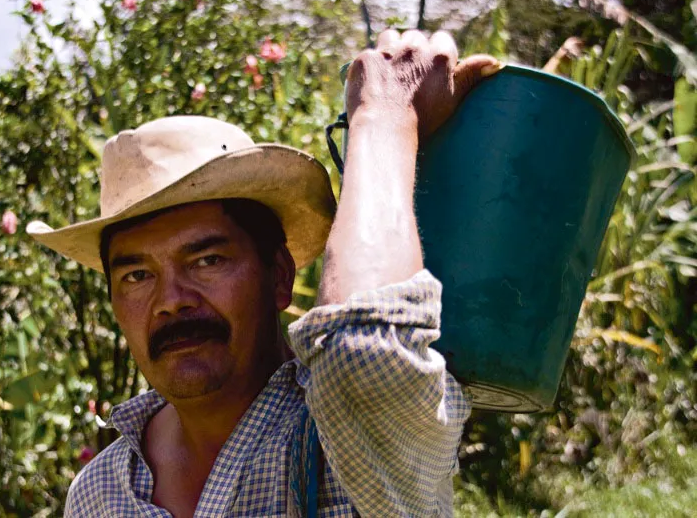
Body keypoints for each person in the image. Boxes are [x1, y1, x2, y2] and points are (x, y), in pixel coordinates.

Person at [28, 29, 501, 517]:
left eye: (206, 260)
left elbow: (362, 350)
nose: (171, 299)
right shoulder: (100, 495)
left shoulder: (346, 435)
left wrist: (384, 118)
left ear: (278, 276)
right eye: (136, 276)